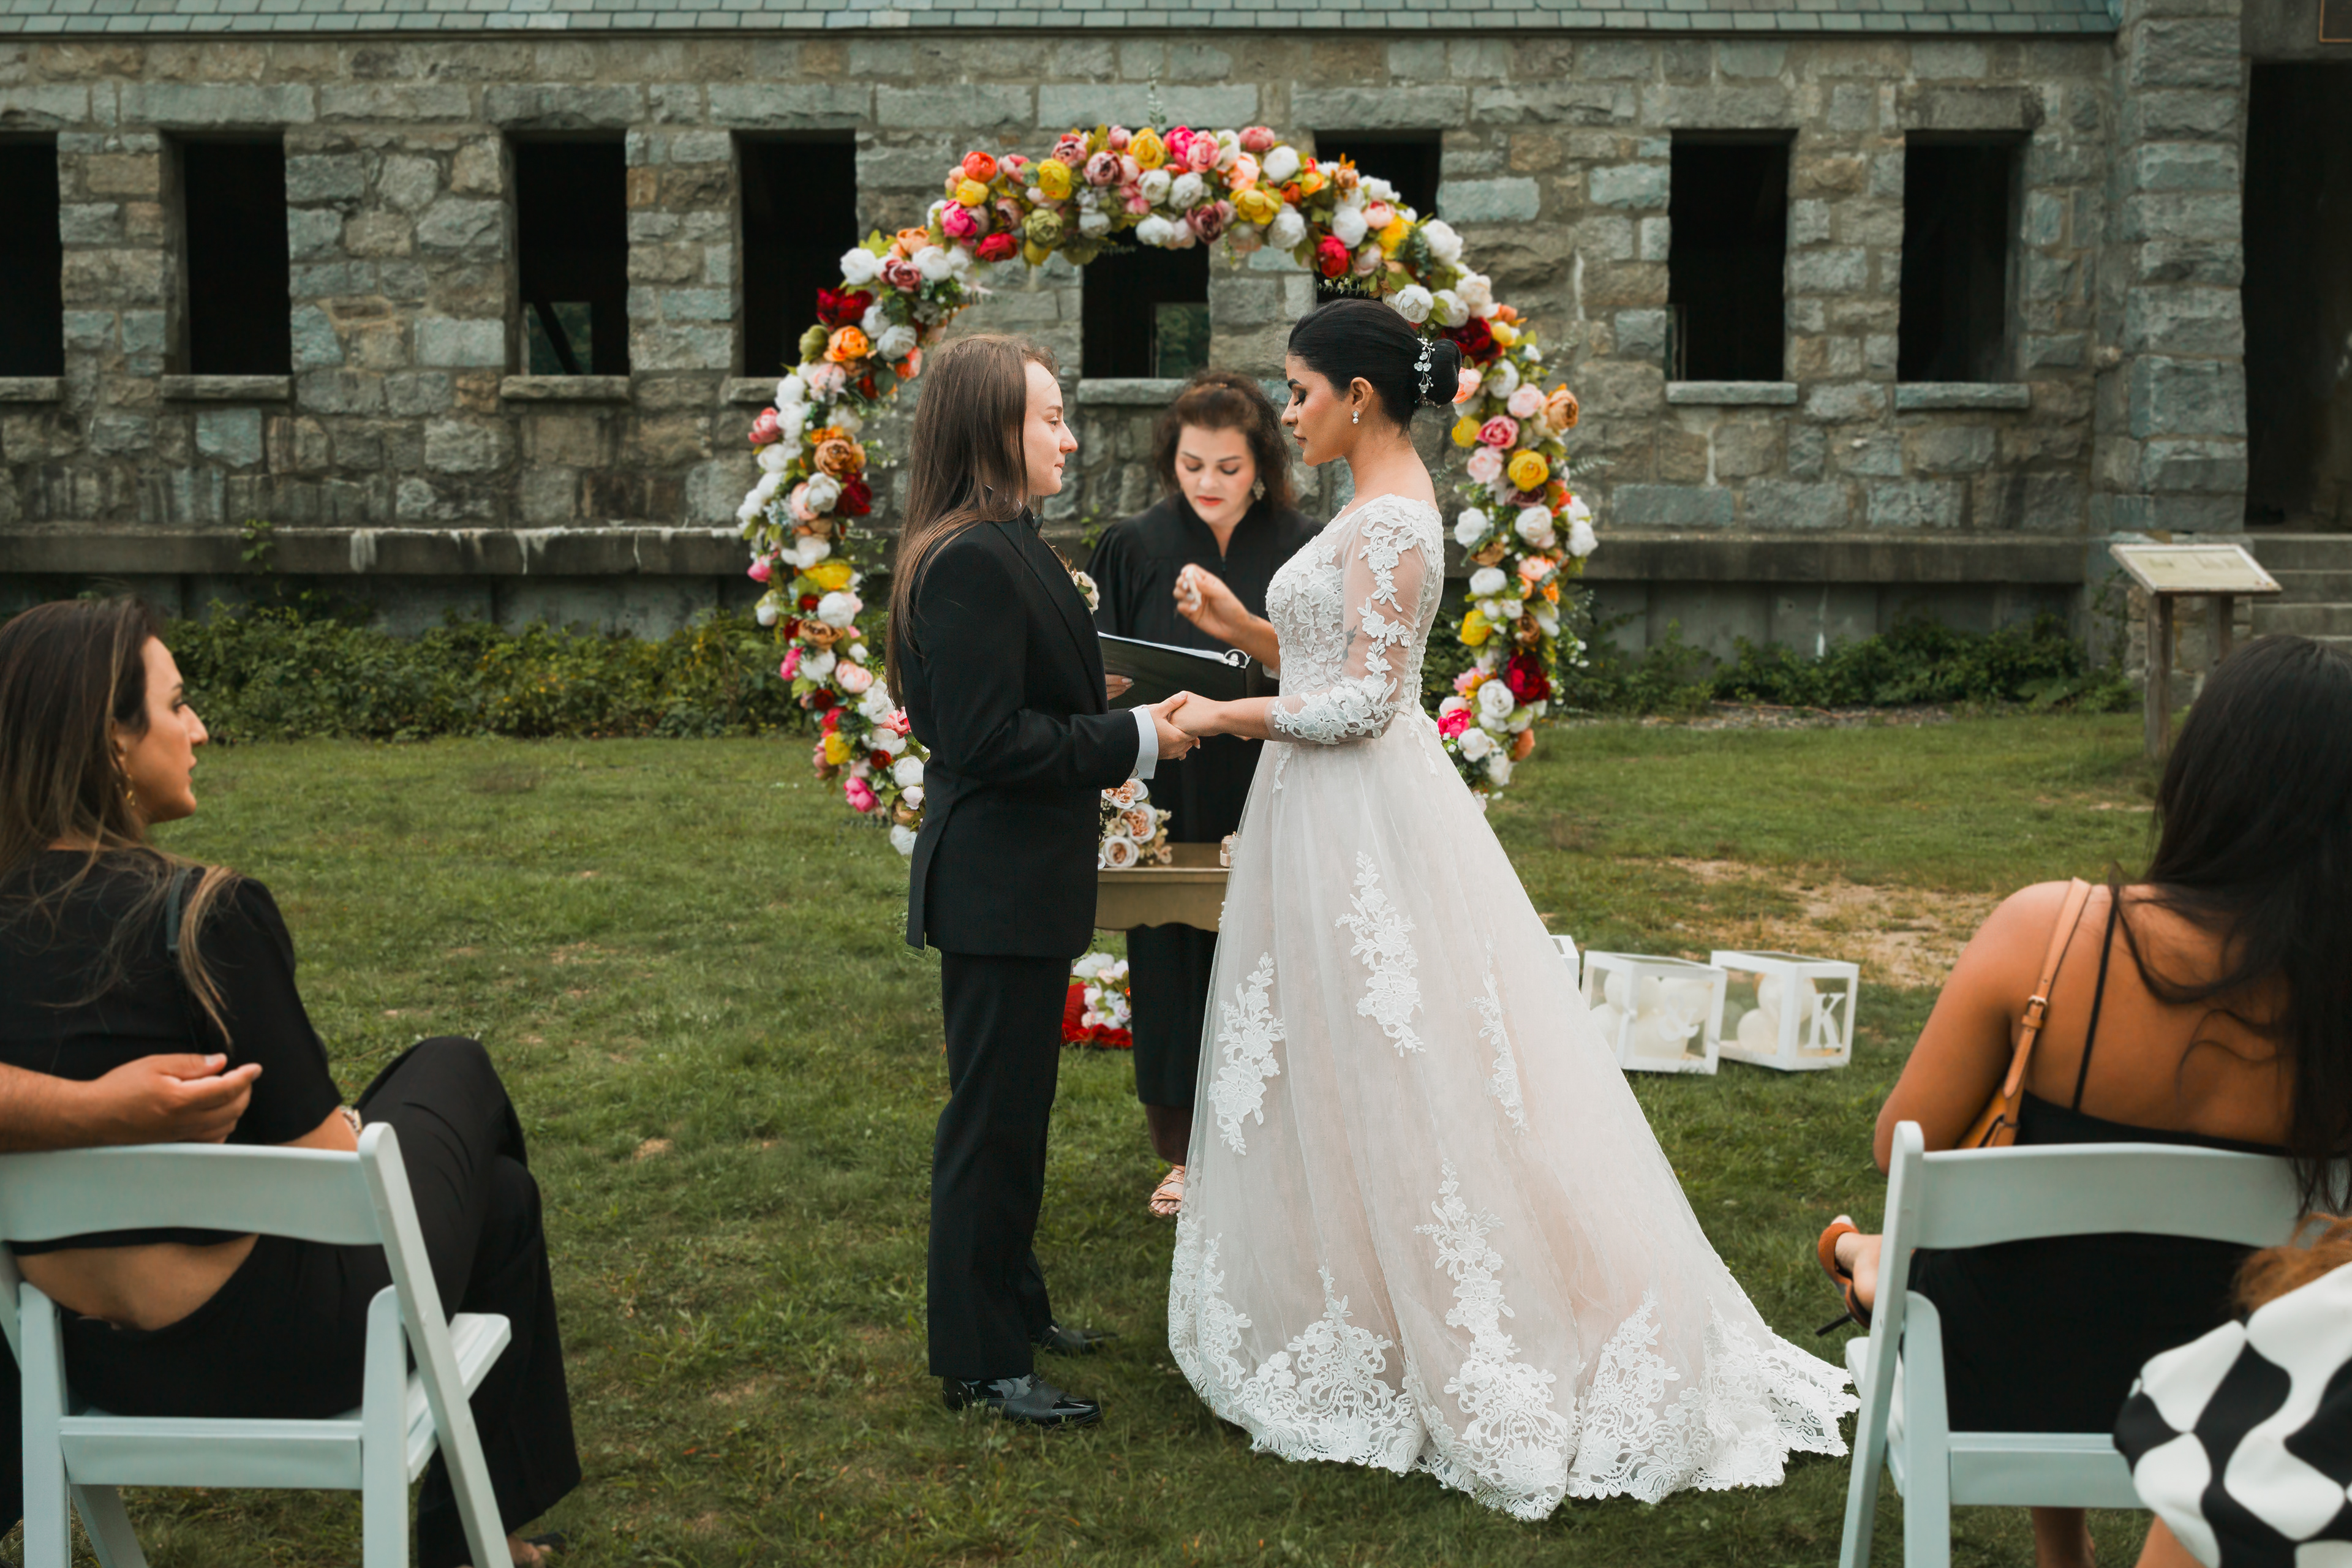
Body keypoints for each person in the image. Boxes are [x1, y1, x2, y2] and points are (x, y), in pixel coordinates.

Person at [1159, 298, 1853, 1515]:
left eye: (1301, 392)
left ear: (1359, 397)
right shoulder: (1370, 507)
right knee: (1331, 1052)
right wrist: (1241, 630)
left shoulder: (1394, 519)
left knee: (1400, 1056)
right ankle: (1353, 1293)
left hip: (1358, 818)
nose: (1288, 414)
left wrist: (1224, 713)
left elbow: (1366, 704)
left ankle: (1449, 1310)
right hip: (1318, 817)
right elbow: (1329, 661)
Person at [0, 598, 580, 1568]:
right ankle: (464, 1544)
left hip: (77, 1361)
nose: (199, 730)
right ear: (110, 741)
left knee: (505, 1201)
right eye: (176, 706)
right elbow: (335, 1176)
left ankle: (484, 1538)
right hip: (290, 1350)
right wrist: (333, 1121)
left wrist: (96, 1118)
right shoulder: (202, 918)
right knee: (454, 1065)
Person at [1815, 634, 2342, 1568]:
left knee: (1994, 1260)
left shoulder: (2049, 936)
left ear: (2202, 779)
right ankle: (1868, 1257)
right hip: (2236, 1400)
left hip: (1998, 1376)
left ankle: (1862, 1253)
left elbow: (1901, 1145)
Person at [888, 335, 1198, 1430]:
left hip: (1022, 882)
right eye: (1051, 417)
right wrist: (1135, 739)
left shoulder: (1009, 540)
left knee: (1021, 1114)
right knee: (991, 1123)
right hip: (994, 885)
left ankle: (1015, 1305)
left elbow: (1015, 693)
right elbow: (986, 741)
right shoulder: (970, 557)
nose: (1070, 436)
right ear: (993, 430)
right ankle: (980, 1362)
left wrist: (1097, 690)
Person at [1087, 369, 1319, 1219]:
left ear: (1263, 465)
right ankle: (1184, 1156)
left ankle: (1280, 1148)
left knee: (1277, 961)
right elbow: (1099, 657)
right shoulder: (1133, 545)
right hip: (1168, 778)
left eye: (1229, 467)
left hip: (1275, 771)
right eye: (1192, 467)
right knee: (1172, 961)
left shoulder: (1306, 545)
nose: (1209, 483)